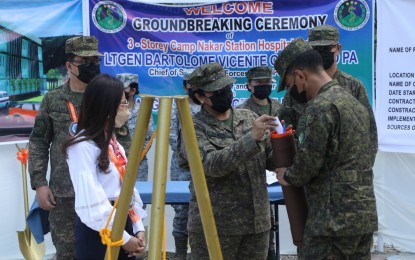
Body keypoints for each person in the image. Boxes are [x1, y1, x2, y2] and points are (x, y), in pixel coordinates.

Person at [274, 38, 377, 259]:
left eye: (291, 85)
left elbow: (308, 165)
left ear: (300, 75)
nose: (293, 91)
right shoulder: (353, 102)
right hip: (363, 215)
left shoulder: (319, 108)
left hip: (331, 221)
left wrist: (287, 175)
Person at [178, 62, 279, 260]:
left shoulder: (249, 117)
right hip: (215, 226)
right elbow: (211, 165)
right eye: (217, 91)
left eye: (227, 88)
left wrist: (284, 144)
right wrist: (252, 138)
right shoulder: (193, 128)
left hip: (256, 224)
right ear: (200, 96)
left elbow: (270, 161)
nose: (225, 94)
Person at [28, 36, 102, 259]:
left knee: (105, 250)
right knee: (67, 251)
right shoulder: (53, 99)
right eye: (85, 61)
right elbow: (39, 142)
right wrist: (39, 184)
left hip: (102, 191)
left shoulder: (107, 95)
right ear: (69, 65)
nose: (92, 66)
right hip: (65, 193)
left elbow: (122, 145)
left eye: (95, 61)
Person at [63, 74, 147, 259]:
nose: (126, 109)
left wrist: (137, 227)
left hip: (123, 225)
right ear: (105, 107)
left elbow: (127, 189)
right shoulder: (81, 146)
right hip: (100, 231)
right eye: (122, 104)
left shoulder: (114, 143)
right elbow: (91, 202)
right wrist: (124, 239)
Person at [279, 24, 378, 162]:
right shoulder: (297, 88)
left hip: (343, 173)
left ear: (338, 49)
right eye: (315, 49)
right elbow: (286, 132)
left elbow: (370, 134)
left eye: (325, 48)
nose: (320, 53)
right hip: (307, 169)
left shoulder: (353, 87)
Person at [237, 65, 281, 260]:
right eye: (259, 82)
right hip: (253, 174)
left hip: (278, 169)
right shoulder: (241, 112)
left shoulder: (280, 108)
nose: (264, 85)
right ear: (249, 85)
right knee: (260, 224)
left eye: (267, 82)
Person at [169, 75, 200, 259]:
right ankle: (180, 254)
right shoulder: (177, 105)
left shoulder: (207, 105)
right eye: (191, 84)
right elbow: (172, 136)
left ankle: (199, 253)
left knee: (202, 210)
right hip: (182, 166)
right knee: (181, 211)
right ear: (186, 86)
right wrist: (190, 156)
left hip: (205, 164)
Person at [115, 73, 154, 181]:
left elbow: (148, 137)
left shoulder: (143, 110)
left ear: (132, 91)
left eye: (123, 88)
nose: (120, 92)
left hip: (138, 164)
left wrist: (134, 155)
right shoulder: (111, 110)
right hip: (115, 162)